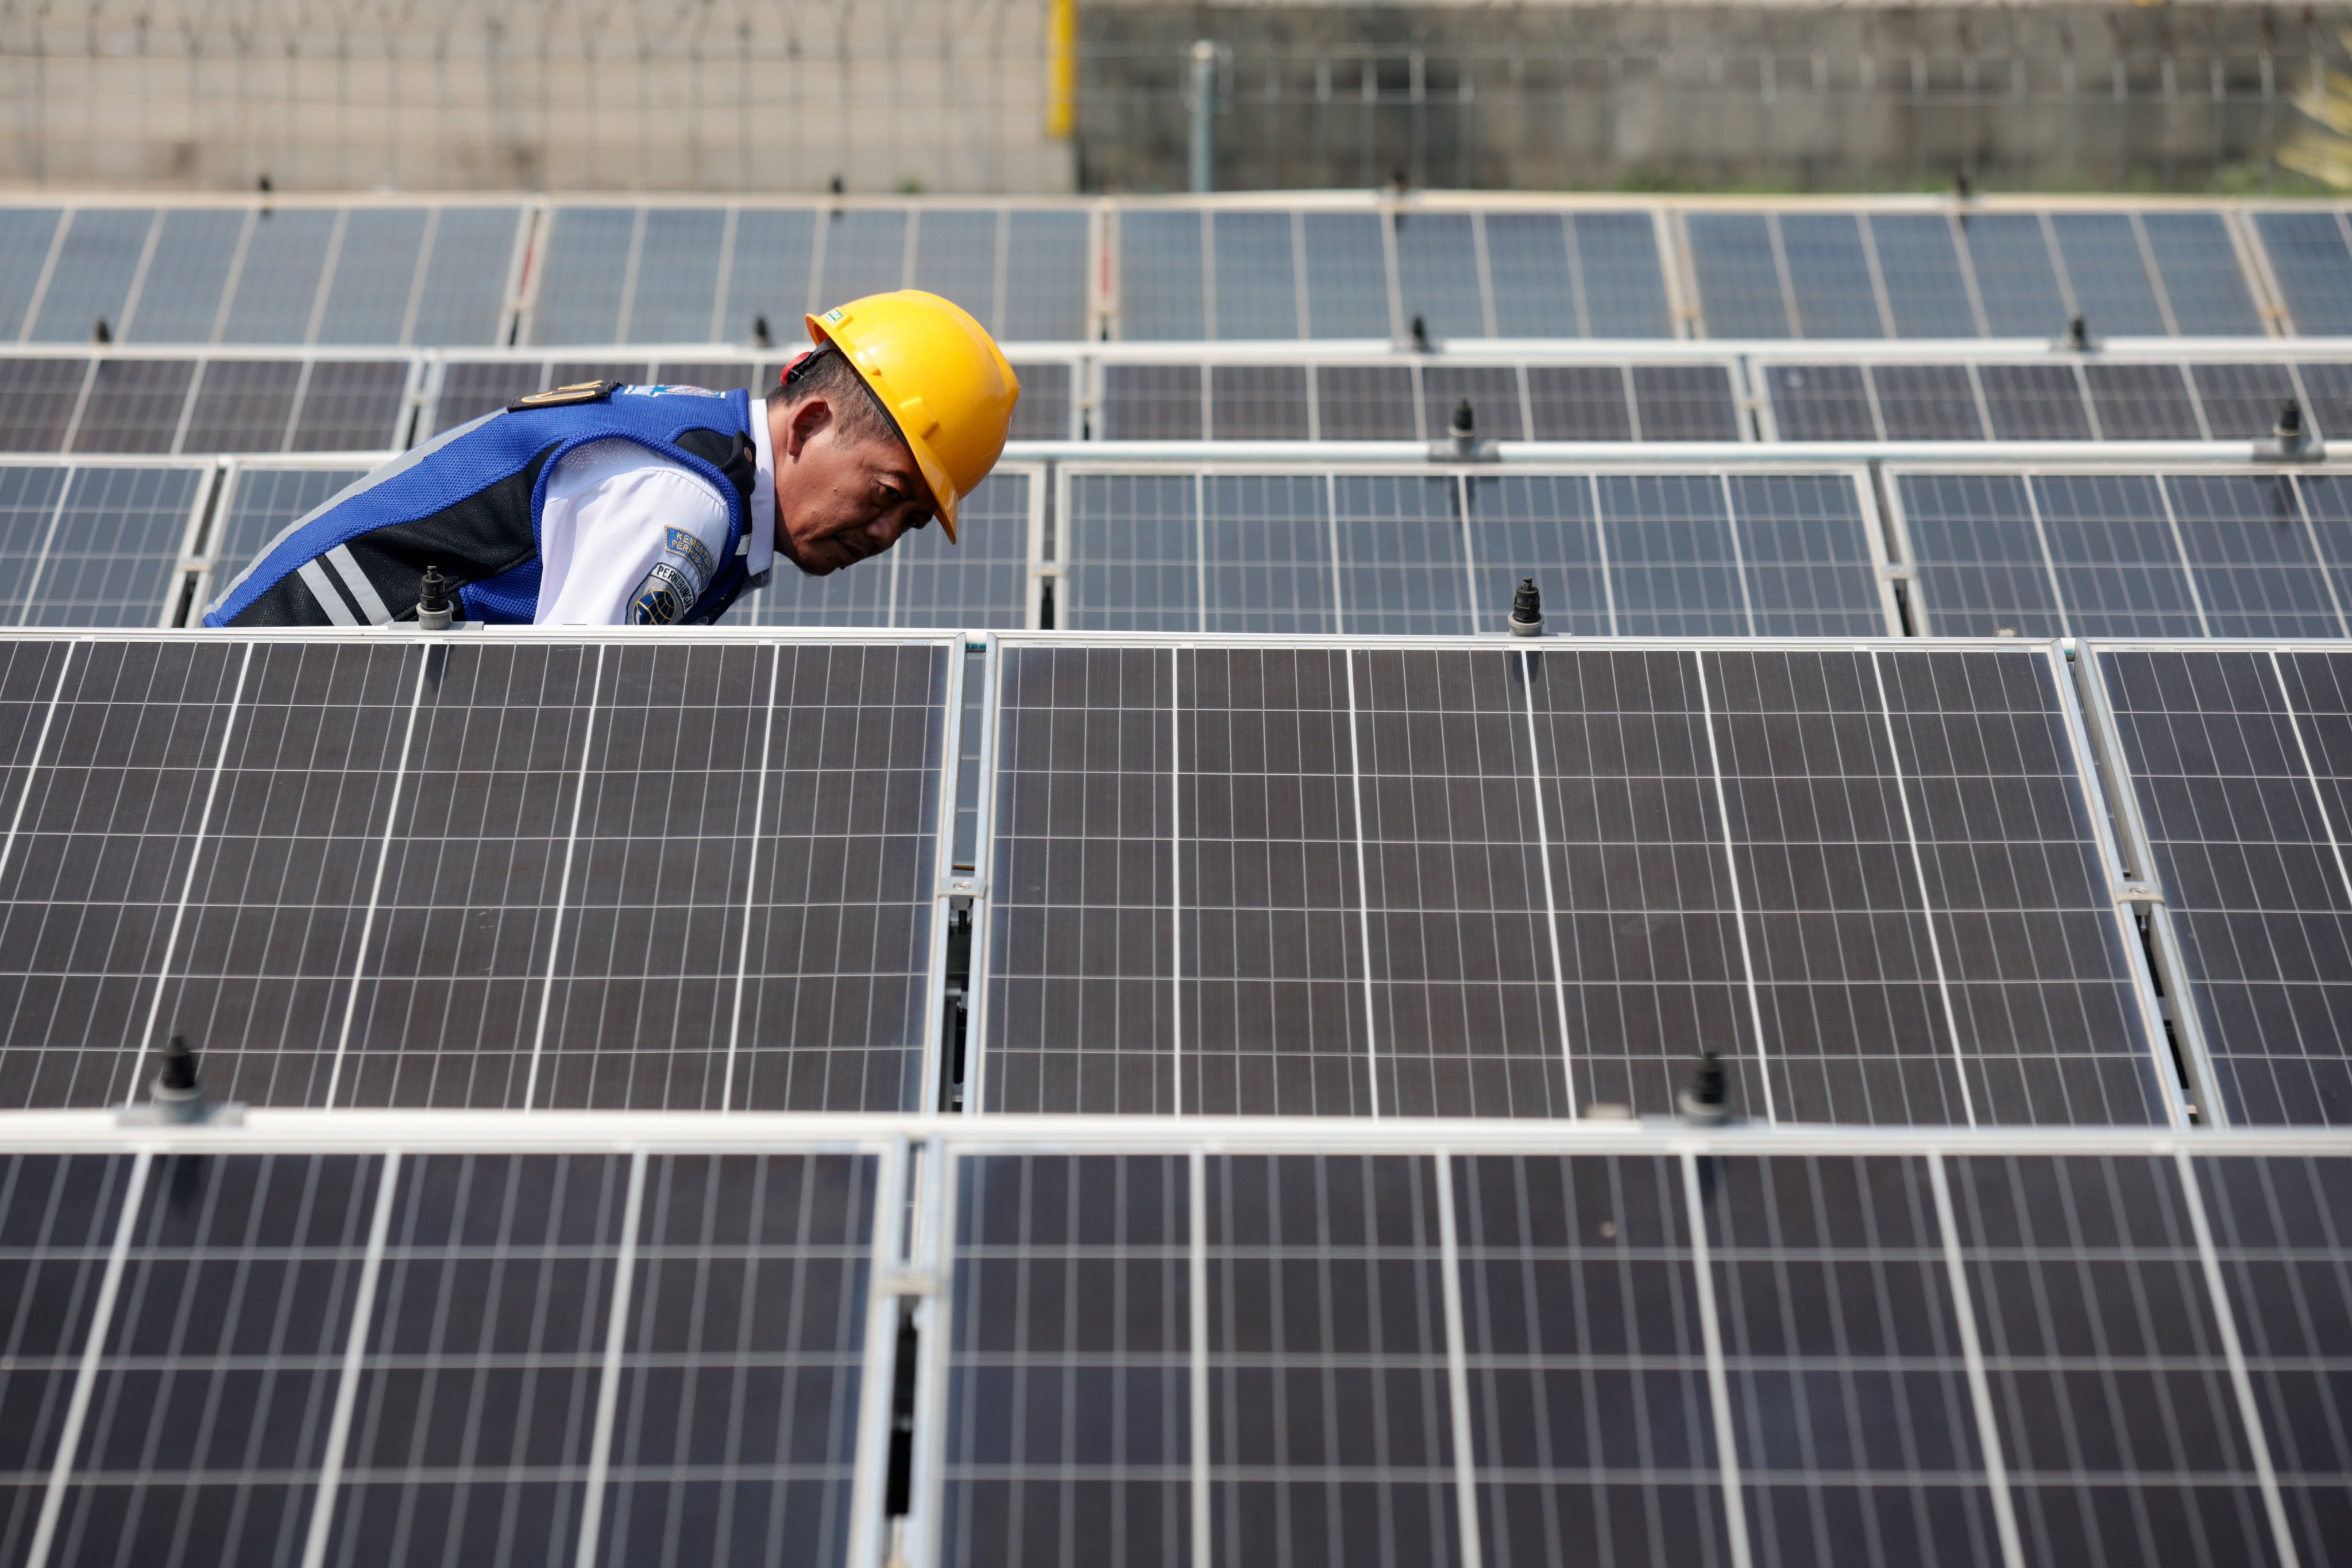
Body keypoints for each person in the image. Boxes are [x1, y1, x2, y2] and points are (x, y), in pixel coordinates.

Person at [203, 290, 1019, 627]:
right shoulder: (684, 504)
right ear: (807, 425)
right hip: (263, 704)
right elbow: (575, 720)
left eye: (910, 523)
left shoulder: (706, 453)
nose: (883, 534)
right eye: (887, 493)